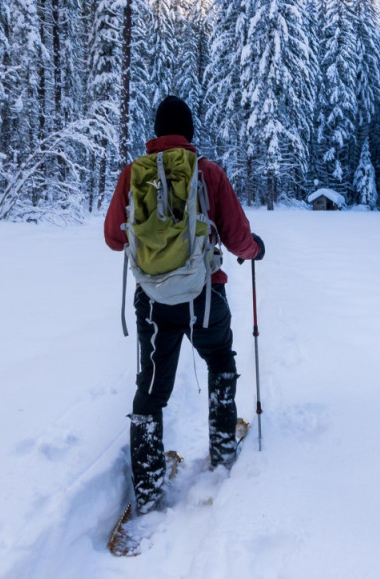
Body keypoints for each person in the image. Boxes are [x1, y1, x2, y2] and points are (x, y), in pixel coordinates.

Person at [104, 95, 265, 515]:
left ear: (156, 133)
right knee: (220, 363)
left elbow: (113, 237)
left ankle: (149, 487)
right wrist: (254, 250)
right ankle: (223, 452)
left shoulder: (133, 176)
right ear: (190, 133)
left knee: (152, 390)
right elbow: (236, 236)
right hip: (205, 296)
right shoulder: (207, 173)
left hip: (154, 302)